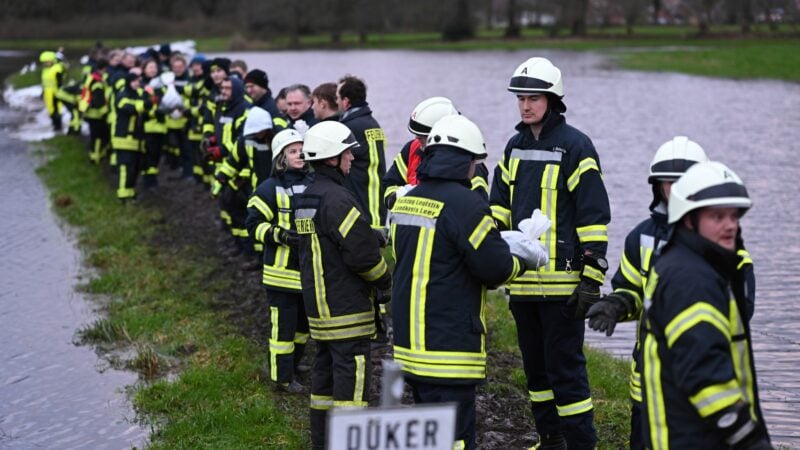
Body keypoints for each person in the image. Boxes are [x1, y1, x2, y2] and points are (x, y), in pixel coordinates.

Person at [390, 114, 548, 449]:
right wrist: (525, 258)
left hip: (409, 346)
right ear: (467, 162)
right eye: (476, 162)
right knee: (456, 439)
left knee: (427, 435)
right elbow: (495, 269)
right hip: (448, 350)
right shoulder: (467, 205)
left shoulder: (408, 200)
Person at [489, 56, 611, 449]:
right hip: (522, 284)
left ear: (552, 100)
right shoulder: (513, 147)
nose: (525, 106)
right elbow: (499, 207)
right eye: (521, 98)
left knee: (566, 372)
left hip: (564, 287)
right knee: (536, 374)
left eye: (533, 98)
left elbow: (593, 219)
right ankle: (550, 439)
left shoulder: (577, 146)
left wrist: (591, 279)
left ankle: (580, 444)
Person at [585, 136, 714, 449]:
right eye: (667, 182)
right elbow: (631, 290)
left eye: (683, 182)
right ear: (656, 185)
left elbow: (740, 303)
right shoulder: (641, 237)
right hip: (648, 380)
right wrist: (616, 305)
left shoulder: (718, 236)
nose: (674, 189)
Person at [638, 161, 771, 449]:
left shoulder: (691, 263)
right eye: (717, 216)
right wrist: (747, 437)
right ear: (688, 219)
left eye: (734, 216)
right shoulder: (691, 278)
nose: (730, 225)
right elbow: (703, 374)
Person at [293, 121, 391, 450]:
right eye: (348, 152)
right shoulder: (339, 199)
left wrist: (369, 231)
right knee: (353, 388)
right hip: (347, 312)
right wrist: (385, 280)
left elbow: (326, 241)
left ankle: (322, 444)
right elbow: (362, 257)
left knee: (323, 384)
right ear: (333, 158)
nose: (352, 158)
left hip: (319, 313)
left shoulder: (307, 197)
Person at [245, 128, 310, 393]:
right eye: (292, 151)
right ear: (281, 157)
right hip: (280, 274)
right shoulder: (268, 188)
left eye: (301, 149)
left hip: (308, 272)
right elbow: (252, 225)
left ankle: (293, 364)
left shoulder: (314, 182)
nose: (299, 155)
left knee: (303, 328)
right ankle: (281, 379)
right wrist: (279, 235)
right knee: (283, 331)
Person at [383, 96, 489, 211]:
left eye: (423, 136)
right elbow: (389, 184)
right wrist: (396, 197)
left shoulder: (470, 163)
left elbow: (478, 205)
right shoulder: (411, 149)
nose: (417, 138)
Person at [336, 75, 387, 230]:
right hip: (376, 203)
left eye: (337, 98)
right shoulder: (372, 124)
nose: (336, 102)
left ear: (346, 102)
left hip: (361, 203)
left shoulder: (350, 127)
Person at [112, 71, 149, 202]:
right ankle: (122, 194)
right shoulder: (122, 96)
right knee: (124, 166)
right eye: (134, 81)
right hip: (123, 139)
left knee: (135, 167)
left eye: (138, 81)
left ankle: (130, 191)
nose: (136, 84)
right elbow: (129, 108)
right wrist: (146, 102)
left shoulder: (138, 95)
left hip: (136, 140)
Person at [140, 59, 167, 189]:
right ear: (144, 69)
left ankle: (153, 178)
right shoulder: (141, 84)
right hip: (146, 126)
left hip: (160, 127)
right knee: (148, 154)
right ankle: (148, 180)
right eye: (150, 67)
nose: (153, 70)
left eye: (154, 67)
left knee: (157, 154)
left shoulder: (161, 85)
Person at [79, 57, 111, 164]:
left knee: (95, 135)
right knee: (98, 136)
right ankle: (95, 157)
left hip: (90, 112)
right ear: (103, 69)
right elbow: (98, 101)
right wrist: (105, 112)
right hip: (96, 114)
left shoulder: (92, 77)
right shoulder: (97, 81)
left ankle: (95, 155)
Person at [40, 51, 65, 132]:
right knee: (51, 111)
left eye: (47, 61)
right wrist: (42, 92)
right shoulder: (45, 70)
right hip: (48, 94)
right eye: (45, 62)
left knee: (57, 111)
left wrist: (57, 93)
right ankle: (55, 125)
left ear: (52, 60)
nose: (46, 63)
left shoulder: (57, 68)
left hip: (55, 93)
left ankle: (58, 127)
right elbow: (44, 83)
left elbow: (60, 82)